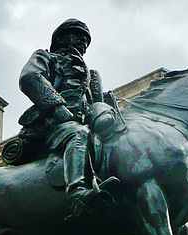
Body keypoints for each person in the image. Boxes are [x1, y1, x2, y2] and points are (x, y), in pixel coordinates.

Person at [18, 18, 119, 217]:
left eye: (86, 40)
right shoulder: (46, 57)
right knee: (78, 134)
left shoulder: (91, 75)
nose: (83, 42)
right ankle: (77, 194)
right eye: (78, 36)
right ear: (62, 39)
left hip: (84, 124)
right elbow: (30, 78)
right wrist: (57, 108)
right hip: (51, 125)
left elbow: (95, 104)